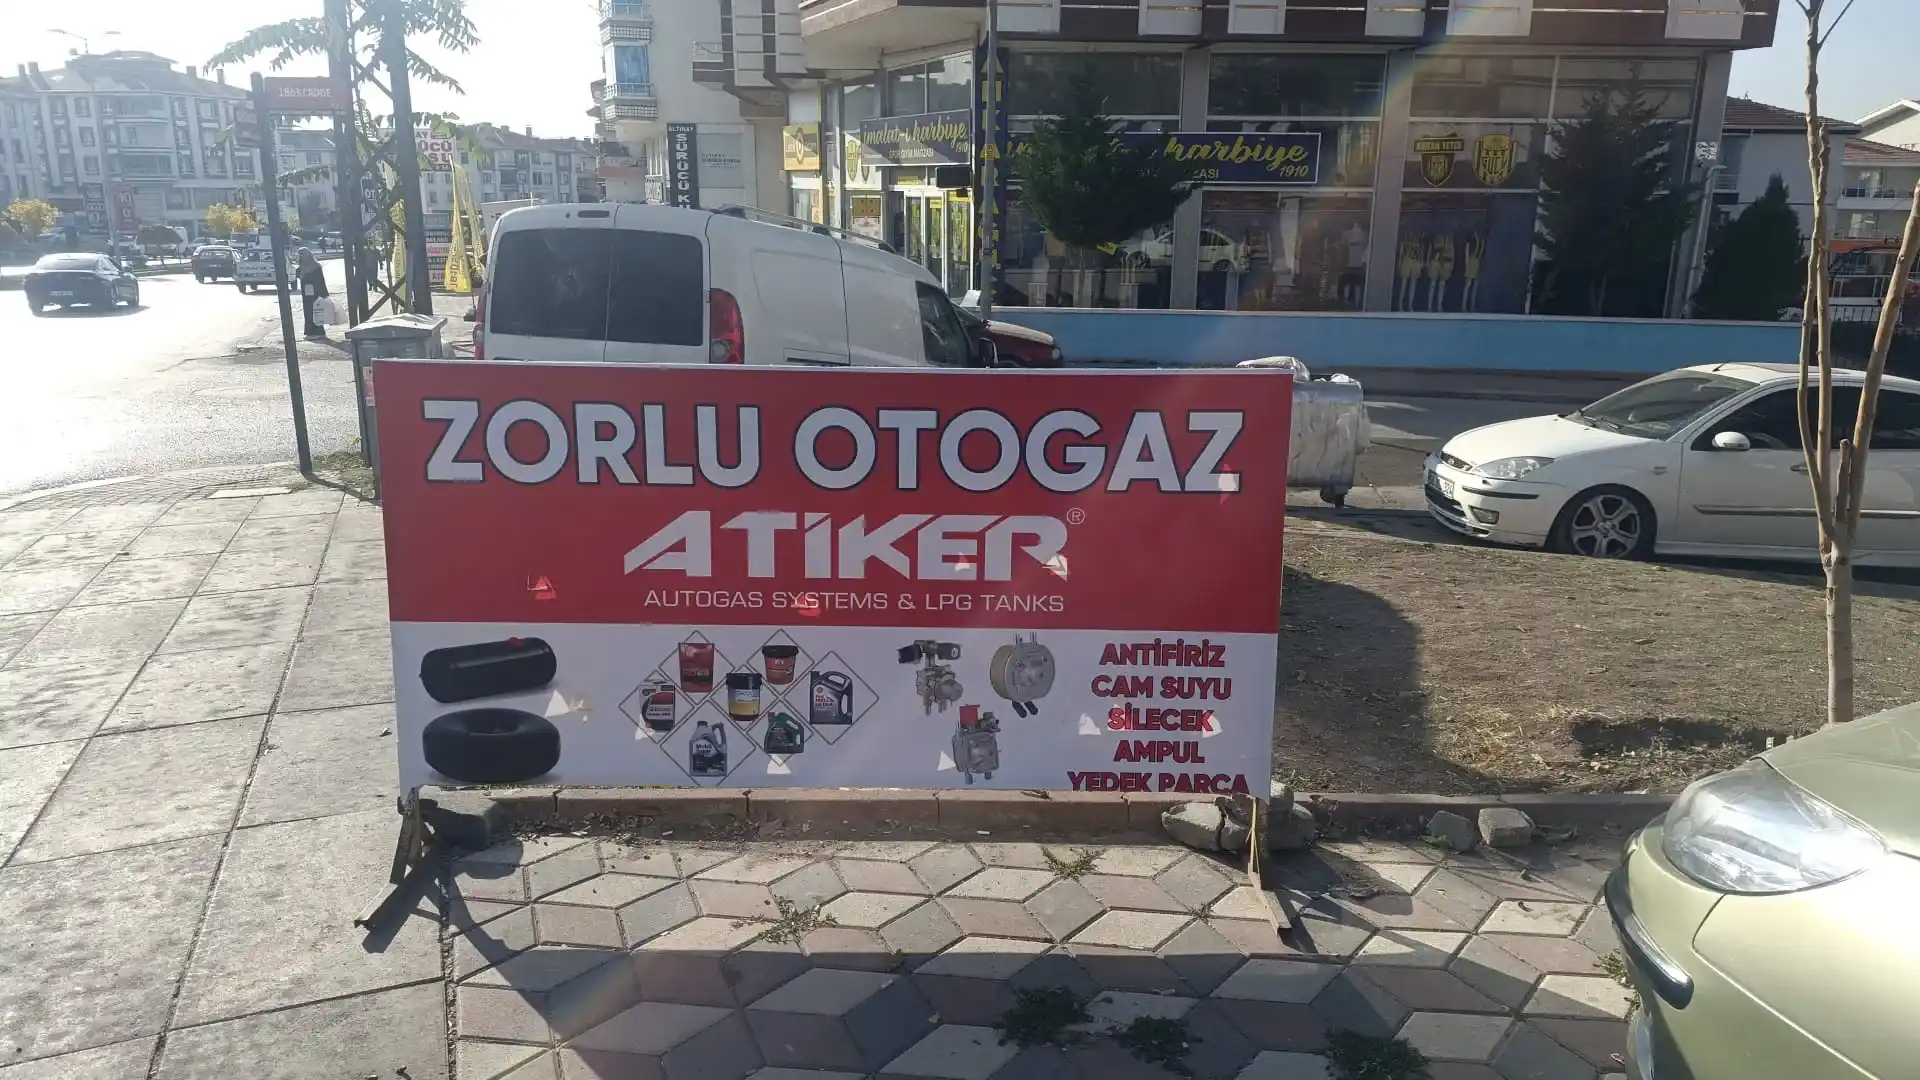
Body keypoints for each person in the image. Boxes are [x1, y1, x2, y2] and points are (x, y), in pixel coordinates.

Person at [296, 248, 329, 338]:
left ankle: (319, 331)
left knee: (317, 311)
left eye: (303, 254)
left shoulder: (316, 266)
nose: (302, 256)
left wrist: (324, 294)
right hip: (306, 293)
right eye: (300, 254)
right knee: (308, 312)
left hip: (316, 293)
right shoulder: (301, 267)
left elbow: (321, 280)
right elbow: (298, 275)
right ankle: (309, 331)